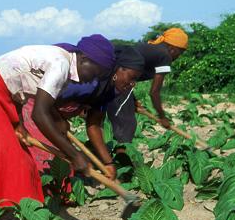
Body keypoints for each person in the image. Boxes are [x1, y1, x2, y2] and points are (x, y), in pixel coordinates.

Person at [0, 35, 115, 211]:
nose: (94, 80)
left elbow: (21, 90)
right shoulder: (61, 64)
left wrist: (18, 124)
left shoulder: (62, 62)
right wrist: (74, 155)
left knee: (17, 159)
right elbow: (40, 114)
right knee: (5, 157)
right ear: (84, 58)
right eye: (96, 72)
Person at [23, 46, 145, 181]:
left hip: (55, 116)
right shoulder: (89, 82)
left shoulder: (109, 91)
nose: (132, 84)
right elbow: (46, 102)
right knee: (44, 163)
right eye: (132, 77)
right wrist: (59, 121)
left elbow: (94, 124)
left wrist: (108, 162)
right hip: (36, 108)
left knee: (63, 170)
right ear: (118, 69)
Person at [106, 28, 188, 145]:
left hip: (111, 77)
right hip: (117, 81)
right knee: (127, 124)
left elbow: (128, 75)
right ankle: (121, 158)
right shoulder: (165, 56)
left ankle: (106, 154)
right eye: (181, 52)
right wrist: (162, 117)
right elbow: (154, 92)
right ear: (173, 49)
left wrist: (133, 100)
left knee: (107, 118)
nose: (179, 56)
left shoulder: (152, 49)